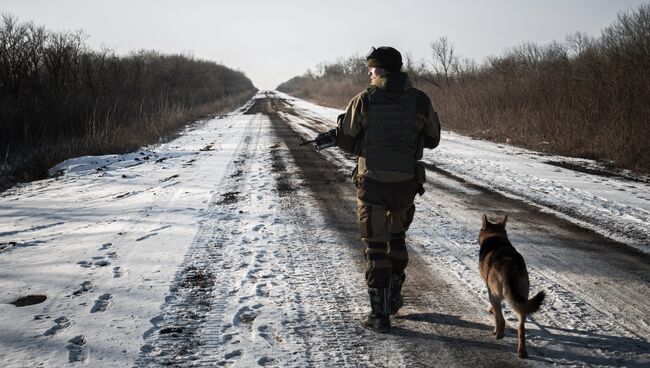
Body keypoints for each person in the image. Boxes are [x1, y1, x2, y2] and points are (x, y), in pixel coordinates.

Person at [313, 46, 441, 333]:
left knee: (375, 249)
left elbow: (346, 140)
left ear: (380, 70)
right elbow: (433, 139)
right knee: (397, 240)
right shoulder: (420, 100)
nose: (369, 74)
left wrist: (362, 143)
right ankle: (394, 295)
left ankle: (380, 315)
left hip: (372, 185)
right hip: (405, 184)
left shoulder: (364, 99)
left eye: (371, 69)